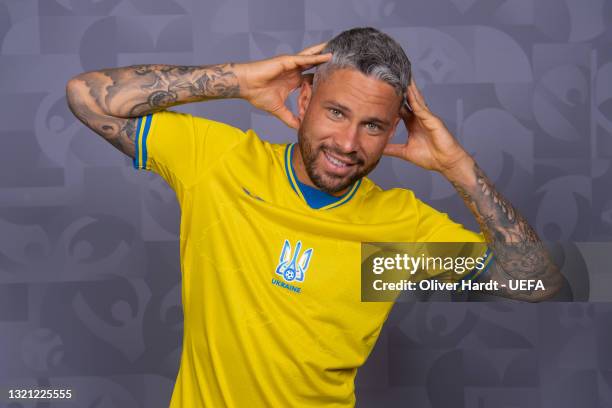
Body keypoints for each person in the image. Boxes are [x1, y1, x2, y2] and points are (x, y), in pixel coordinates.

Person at [66, 27, 562, 408]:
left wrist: (458, 167)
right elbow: (88, 96)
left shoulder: (400, 230)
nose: (348, 144)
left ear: (396, 129)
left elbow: (540, 282)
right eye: (336, 113)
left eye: (372, 125)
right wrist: (239, 81)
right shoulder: (217, 163)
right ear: (304, 101)